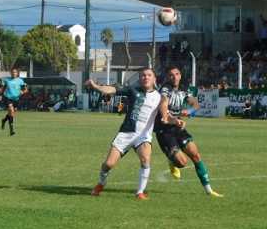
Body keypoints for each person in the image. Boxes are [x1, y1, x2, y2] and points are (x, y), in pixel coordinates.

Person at [86, 67, 162, 200]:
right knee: (108, 164)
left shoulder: (159, 97)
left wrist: (176, 120)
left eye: (149, 75)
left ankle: (140, 192)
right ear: (140, 78)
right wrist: (95, 86)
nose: (146, 77)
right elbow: (112, 89)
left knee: (145, 160)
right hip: (126, 133)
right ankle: (101, 183)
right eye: (143, 75)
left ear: (154, 78)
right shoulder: (133, 90)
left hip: (143, 136)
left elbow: (166, 113)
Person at [155, 66, 223, 197]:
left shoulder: (184, 89)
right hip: (164, 129)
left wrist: (190, 111)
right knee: (182, 163)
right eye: (171, 75)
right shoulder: (165, 89)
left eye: (176, 74)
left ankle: (209, 191)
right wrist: (165, 117)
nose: (174, 77)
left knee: (196, 155)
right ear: (168, 77)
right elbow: (163, 103)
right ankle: (172, 160)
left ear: (180, 75)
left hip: (178, 126)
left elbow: (195, 104)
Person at [0, 68, 27, 136]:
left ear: (17, 73)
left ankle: (4, 120)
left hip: (16, 99)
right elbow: (3, 89)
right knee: (11, 110)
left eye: (15, 72)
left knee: (11, 113)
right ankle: (11, 130)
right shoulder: (7, 80)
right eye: (12, 72)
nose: (13, 73)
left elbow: (25, 89)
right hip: (8, 98)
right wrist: (0, 96)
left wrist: (23, 92)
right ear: (11, 73)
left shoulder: (20, 81)